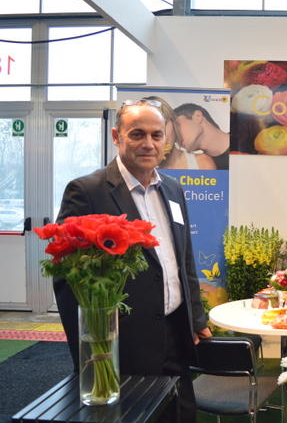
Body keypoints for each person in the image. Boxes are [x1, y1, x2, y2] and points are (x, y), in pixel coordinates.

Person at [54, 99, 212, 422]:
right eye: (137, 134)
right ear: (117, 136)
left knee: (181, 414)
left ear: (166, 140)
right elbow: (66, 277)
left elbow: (184, 261)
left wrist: (196, 319)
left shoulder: (173, 190)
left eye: (156, 135)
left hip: (176, 333)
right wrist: (89, 347)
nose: (148, 144)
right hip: (123, 343)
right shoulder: (88, 191)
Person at [144, 95, 216, 170]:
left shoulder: (202, 163)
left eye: (163, 123)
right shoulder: (137, 166)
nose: (159, 134)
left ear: (174, 123)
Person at [174, 103, 230, 170]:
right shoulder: (206, 169)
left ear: (198, 116)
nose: (175, 136)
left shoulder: (241, 140)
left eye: (177, 126)